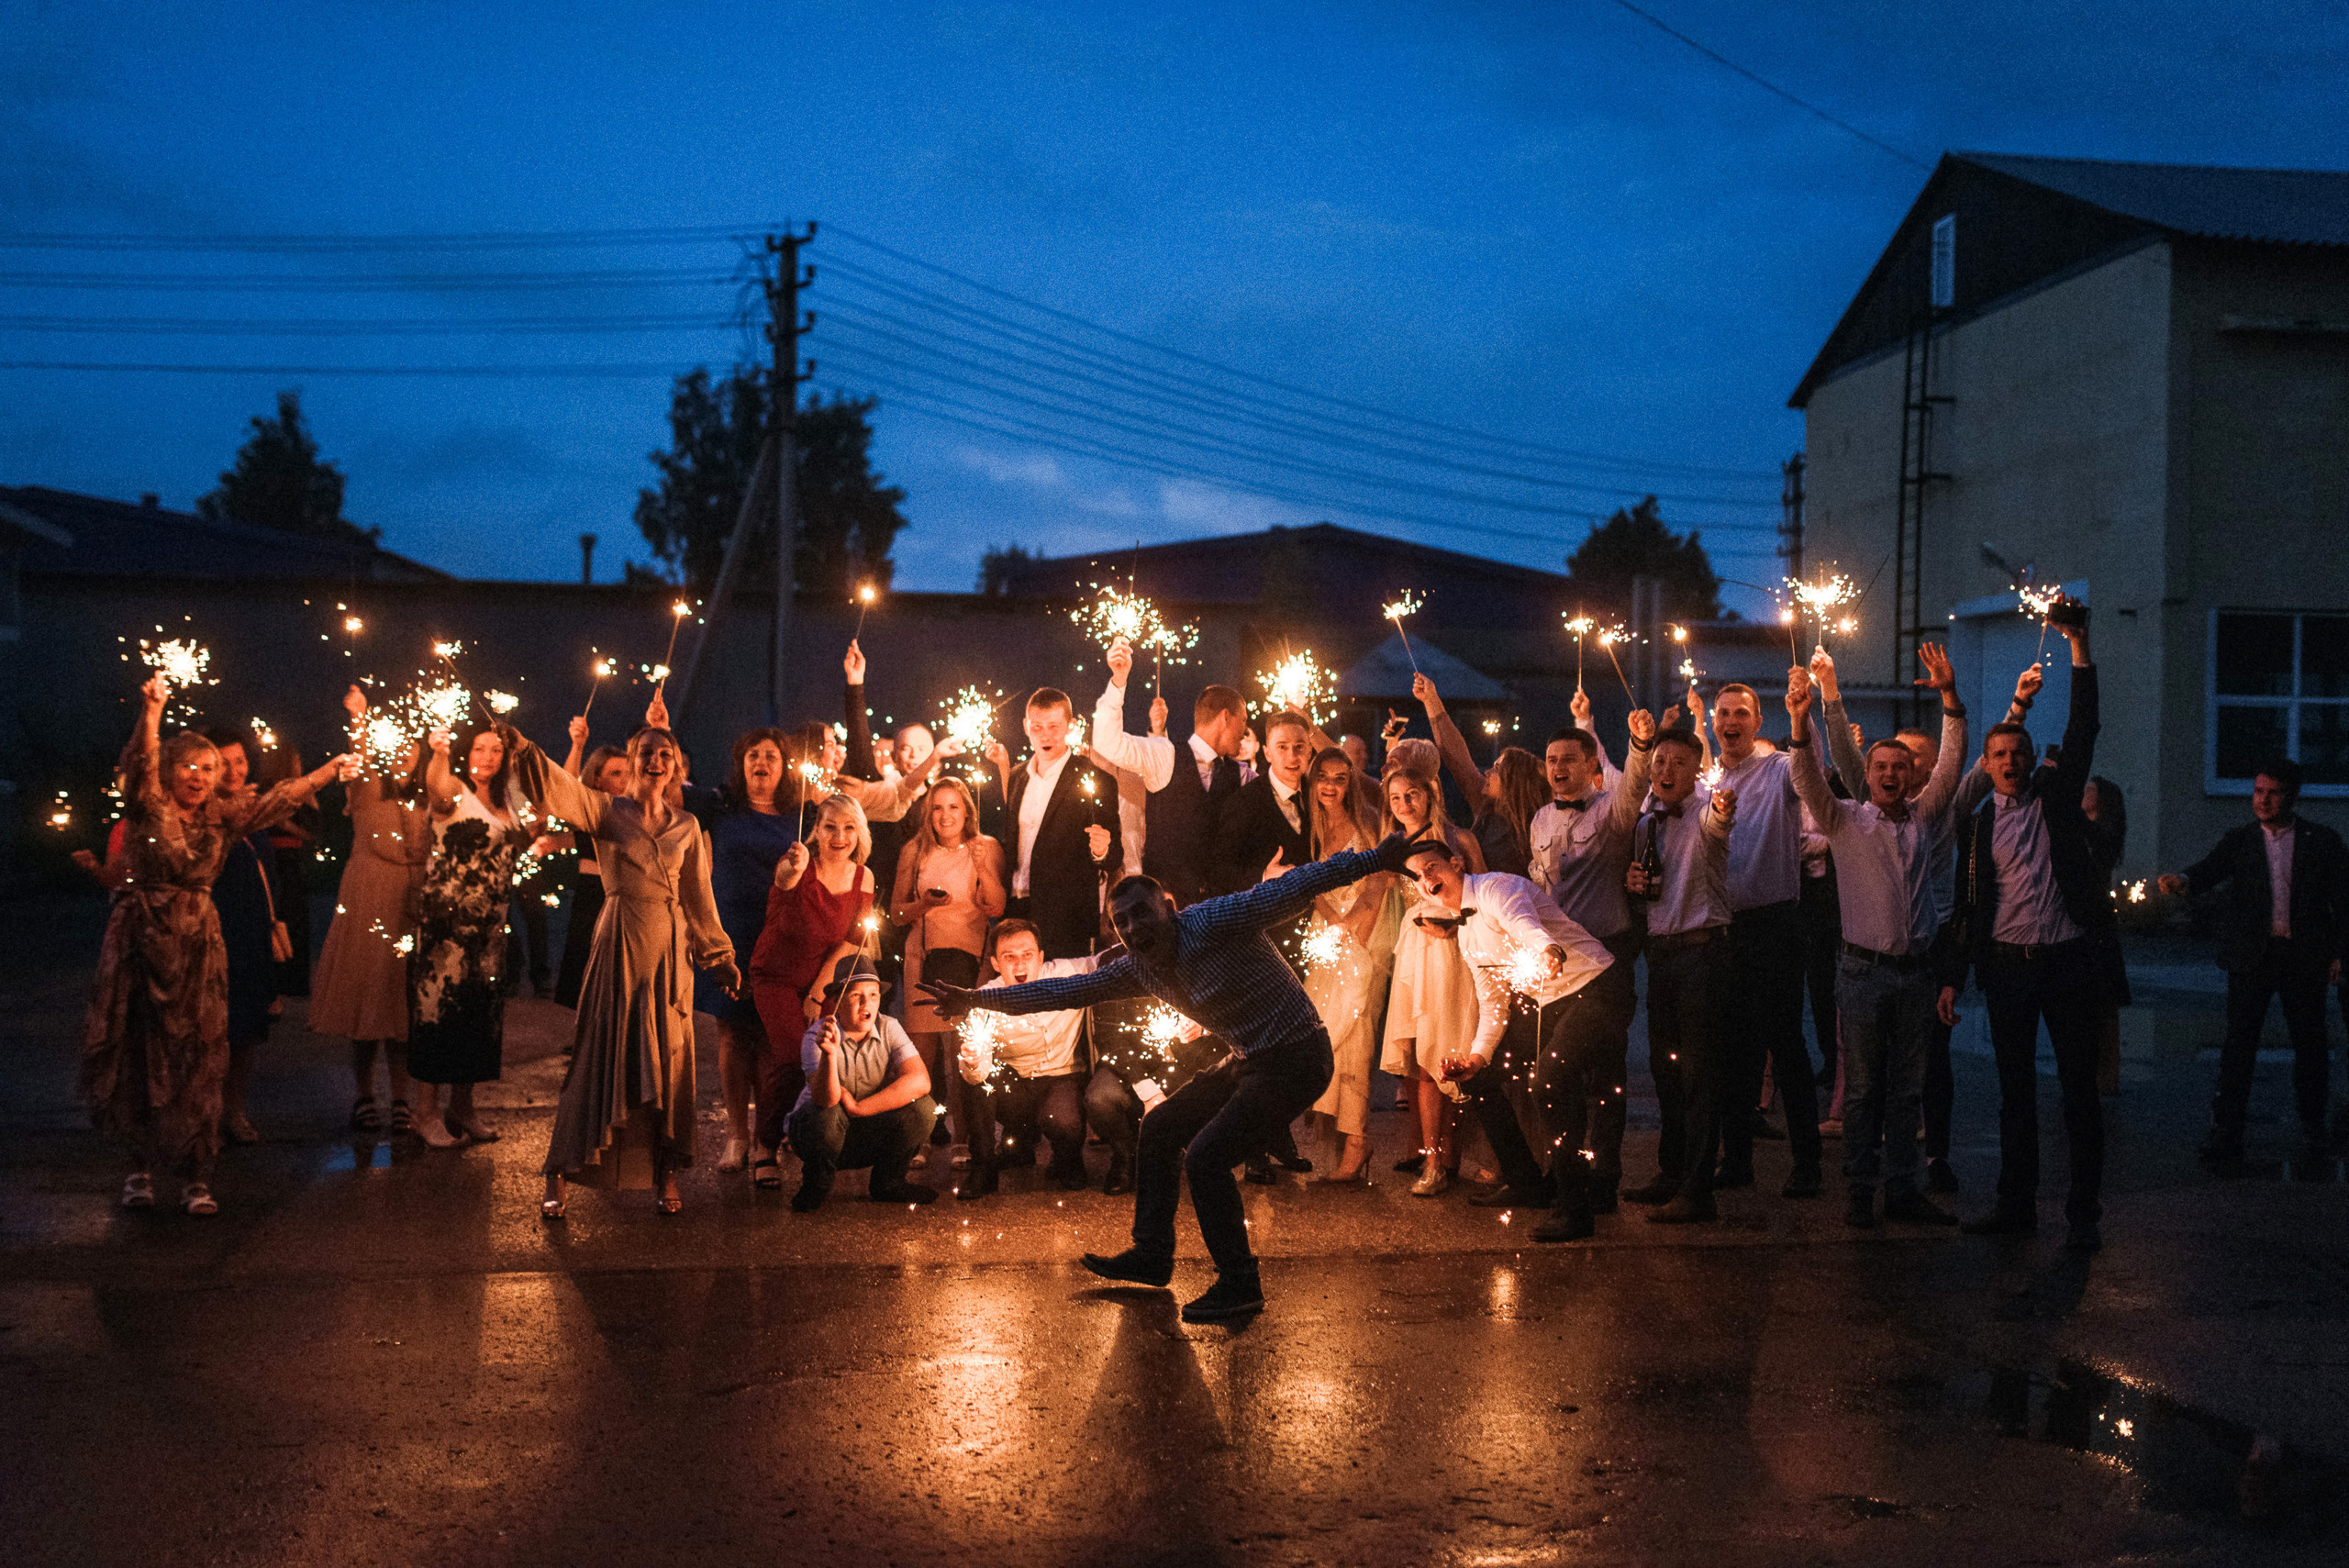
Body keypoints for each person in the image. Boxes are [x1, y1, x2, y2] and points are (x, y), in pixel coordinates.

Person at [922, 831, 1419, 1324]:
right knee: (1159, 1129)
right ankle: (1153, 1254)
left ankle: (1240, 1282)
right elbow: (1067, 991)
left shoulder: (1216, 921)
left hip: (1297, 1055)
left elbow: (1292, 887)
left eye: (1142, 913)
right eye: (1121, 923)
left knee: (1206, 1159)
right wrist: (976, 999)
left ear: (1168, 905)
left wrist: (1376, 859)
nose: (1134, 928)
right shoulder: (1140, 968)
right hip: (1249, 1058)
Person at [81, 674, 347, 1215]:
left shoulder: (225, 819)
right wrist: (153, 711)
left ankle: (197, 1175)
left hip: (198, 943)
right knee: (141, 1051)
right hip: (141, 939)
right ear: (169, 770)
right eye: (189, 767)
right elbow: (138, 768)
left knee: (201, 1053)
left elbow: (277, 802)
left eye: (209, 768)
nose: (200, 777)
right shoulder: (147, 807)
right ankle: (139, 1170)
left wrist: (329, 770)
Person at [1939, 597, 2116, 1252]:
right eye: (1998, 754)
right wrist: (1955, 977)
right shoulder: (1980, 824)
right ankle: (2016, 1206)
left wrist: (2078, 644)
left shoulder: (2058, 801)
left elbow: (2086, 724)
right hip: (2009, 967)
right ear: (1986, 764)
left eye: (2017, 751)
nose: (2010, 761)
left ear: (2028, 756)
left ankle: (2083, 1211)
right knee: (2015, 1094)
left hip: (2067, 961)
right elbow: (1967, 902)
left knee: (2078, 1094)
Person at [506, 720, 738, 1215]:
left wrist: (719, 957)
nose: (655, 761)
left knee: (670, 1061)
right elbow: (558, 789)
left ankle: (666, 1174)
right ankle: (560, 1172)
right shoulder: (606, 812)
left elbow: (700, 898)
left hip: (670, 955)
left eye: (665, 755)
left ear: (676, 767)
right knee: (600, 1053)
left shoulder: (687, 827)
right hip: (621, 941)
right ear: (632, 762)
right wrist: (526, 749)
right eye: (646, 753)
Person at [1787, 647, 1967, 1229]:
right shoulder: (1845, 819)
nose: (1892, 774)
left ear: (1911, 776)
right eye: (1881, 767)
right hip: (1862, 974)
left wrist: (1949, 699)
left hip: (1916, 972)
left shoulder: (1924, 815)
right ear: (1867, 776)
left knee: (1907, 1091)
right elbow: (1809, 775)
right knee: (1863, 1091)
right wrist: (1801, 719)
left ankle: (1903, 1188)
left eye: (1900, 768)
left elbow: (1953, 762)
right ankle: (1862, 1190)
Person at [1400, 835, 1616, 1240]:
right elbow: (1494, 1005)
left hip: (1596, 986)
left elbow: (1524, 923)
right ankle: (1526, 1183)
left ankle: (1576, 1210)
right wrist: (1475, 1059)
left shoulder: (1498, 888)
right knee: (1478, 1081)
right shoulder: (1465, 934)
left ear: (1457, 863)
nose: (1426, 878)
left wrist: (1548, 949)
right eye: (1417, 876)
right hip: (1547, 1006)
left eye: (1432, 867)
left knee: (1551, 1078)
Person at [2157, 757, 2349, 1173]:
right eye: (2258, 791)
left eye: (2272, 792)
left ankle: (2314, 1129)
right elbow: (2209, 870)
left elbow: (2342, 901)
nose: (2262, 800)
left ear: (2291, 796)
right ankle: (2228, 1132)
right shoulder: (2242, 840)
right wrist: (2184, 881)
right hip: (2254, 956)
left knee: (2311, 1044)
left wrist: (2339, 952)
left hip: (2302, 956)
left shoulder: (2321, 841)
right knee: (2239, 1045)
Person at [1524, 691, 1651, 1210]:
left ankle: (1600, 1181)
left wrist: (1639, 745)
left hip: (1607, 963)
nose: (1558, 768)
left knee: (1604, 1076)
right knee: (1567, 1076)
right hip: (1558, 967)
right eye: (1552, 760)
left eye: (1569, 760)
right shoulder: (1539, 821)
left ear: (1591, 767)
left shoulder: (1612, 815)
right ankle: (1568, 1174)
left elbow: (1636, 787)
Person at [1708, 681, 1827, 1198]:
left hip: (1775, 925)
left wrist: (1802, 720)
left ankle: (1808, 1163)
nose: (1731, 722)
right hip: (1722, 929)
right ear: (1713, 723)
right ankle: (1736, 1160)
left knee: (1787, 1045)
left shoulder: (1779, 770)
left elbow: (1812, 774)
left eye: (1741, 713)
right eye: (1723, 714)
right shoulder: (1707, 778)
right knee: (1733, 1052)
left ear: (1757, 723)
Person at [672, 719, 802, 1172]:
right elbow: (670, 791)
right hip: (728, 933)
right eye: (753, 756)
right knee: (731, 1034)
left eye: (771, 756)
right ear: (741, 766)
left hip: (777, 935)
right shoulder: (720, 807)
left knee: (769, 1036)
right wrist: (665, 730)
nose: (762, 762)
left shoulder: (799, 815)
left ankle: (767, 1133)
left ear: (785, 766)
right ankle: (736, 1135)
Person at [1620, 728, 1738, 1223]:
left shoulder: (1707, 810)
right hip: (1662, 956)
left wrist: (1724, 807)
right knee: (1666, 1069)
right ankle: (1671, 1173)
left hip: (1702, 954)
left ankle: (1698, 1190)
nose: (1666, 770)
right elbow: (1646, 893)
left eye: (1678, 763)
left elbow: (1719, 823)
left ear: (1696, 770)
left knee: (1697, 1073)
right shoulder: (1647, 822)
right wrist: (1633, 883)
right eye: (1661, 761)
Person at [311, 685, 432, 1137]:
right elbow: (358, 750)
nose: (404, 753)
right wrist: (359, 716)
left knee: (401, 1002)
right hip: (368, 894)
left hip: (412, 896)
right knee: (367, 995)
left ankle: (400, 1098)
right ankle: (363, 1096)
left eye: (411, 747)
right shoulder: (365, 785)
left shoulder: (427, 796)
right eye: (397, 745)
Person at [407, 720, 530, 1149]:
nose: (488, 757)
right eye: (480, 748)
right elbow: (436, 791)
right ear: (466, 752)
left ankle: (463, 1106)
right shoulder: (454, 788)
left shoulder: (507, 800)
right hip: (447, 926)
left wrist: (576, 746)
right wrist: (437, 751)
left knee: (478, 1015)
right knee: (437, 1013)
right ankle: (424, 1112)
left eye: (496, 750)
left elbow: (541, 818)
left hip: (489, 929)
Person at [746, 795, 878, 1190]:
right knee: (789, 1058)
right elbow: (783, 879)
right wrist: (793, 866)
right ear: (816, 830)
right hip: (777, 974)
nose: (840, 836)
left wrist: (819, 993)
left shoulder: (863, 877)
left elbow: (855, 939)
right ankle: (764, 1147)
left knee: (827, 1060)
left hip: (825, 977)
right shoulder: (797, 865)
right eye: (830, 827)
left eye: (849, 827)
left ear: (860, 832)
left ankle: (813, 1141)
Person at [1379, 765, 1486, 1193]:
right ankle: (1432, 1161)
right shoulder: (1390, 847)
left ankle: (1456, 1154)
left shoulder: (1460, 839)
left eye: (1412, 795)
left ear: (1431, 794)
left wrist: (1457, 926)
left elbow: (1483, 892)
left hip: (1459, 955)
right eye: (1396, 798)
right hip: (1419, 957)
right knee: (1425, 1060)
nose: (1405, 804)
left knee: (1458, 1055)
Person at [891, 775, 1007, 1158]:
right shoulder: (914, 851)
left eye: (953, 806)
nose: (945, 815)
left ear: (967, 811)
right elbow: (896, 914)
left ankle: (964, 1138)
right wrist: (924, 903)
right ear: (929, 813)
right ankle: (918, 1137)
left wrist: (983, 868)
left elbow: (997, 907)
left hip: (972, 960)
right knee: (921, 1056)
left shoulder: (985, 847)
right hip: (922, 959)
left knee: (962, 1057)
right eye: (938, 807)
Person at [1301, 748, 1403, 1182]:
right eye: (1323, 776)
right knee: (1327, 1037)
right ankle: (1345, 1138)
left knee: (1358, 1033)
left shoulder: (1368, 823)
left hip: (1367, 935)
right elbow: (1314, 887)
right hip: (1327, 937)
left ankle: (1358, 1142)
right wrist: (1331, 926)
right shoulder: (1314, 828)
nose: (1330, 785)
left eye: (1340, 778)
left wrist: (1353, 934)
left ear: (1351, 783)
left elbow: (1378, 883)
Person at [1086, 636, 1249, 906]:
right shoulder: (1165, 754)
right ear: (1225, 718)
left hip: (1222, 913)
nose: (1244, 732)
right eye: (1243, 721)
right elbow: (1107, 743)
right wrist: (1118, 681)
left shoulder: (1242, 775)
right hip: (1167, 913)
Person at [955, 919, 1096, 1196]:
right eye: (1009, 957)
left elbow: (1109, 960)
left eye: (1027, 955)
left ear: (1041, 958)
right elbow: (977, 1073)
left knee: (1064, 1121)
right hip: (1016, 1089)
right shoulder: (985, 1000)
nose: (1020, 966)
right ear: (995, 963)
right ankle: (984, 1167)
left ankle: (1068, 1159)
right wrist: (972, 1060)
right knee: (973, 1081)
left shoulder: (1068, 974)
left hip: (1061, 1079)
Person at [787, 958, 939, 1211]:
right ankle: (816, 1184)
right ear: (835, 1001)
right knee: (826, 1116)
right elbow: (826, 1100)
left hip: (864, 1128)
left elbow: (920, 1080)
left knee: (924, 1109)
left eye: (873, 995)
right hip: (818, 1135)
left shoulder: (889, 1027)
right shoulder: (817, 1034)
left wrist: (861, 1108)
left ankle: (888, 1183)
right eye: (856, 995)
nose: (866, 1004)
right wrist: (829, 1055)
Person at [985, 686, 1120, 959]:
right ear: (1025, 726)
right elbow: (1014, 843)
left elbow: (1114, 857)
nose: (1045, 735)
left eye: (1053, 726)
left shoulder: (1098, 781)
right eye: (1037, 727)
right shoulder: (1016, 777)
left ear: (1070, 726)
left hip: (1067, 920)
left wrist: (1101, 850)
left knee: (1064, 998)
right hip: (1017, 913)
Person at [202, 724, 285, 1145]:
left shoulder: (253, 814)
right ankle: (207, 1116)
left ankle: (234, 1110)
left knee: (247, 1029)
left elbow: (266, 874)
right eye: (223, 763)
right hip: (215, 930)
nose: (234, 771)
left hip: (252, 931)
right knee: (211, 1029)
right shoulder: (205, 814)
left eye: (240, 761)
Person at [1412, 672, 1544, 877]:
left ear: (1514, 781)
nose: (1487, 772)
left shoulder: (1538, 827)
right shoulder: (1487, 809)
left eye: (1497, 769)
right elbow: (1458, 760)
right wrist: (1431, 700)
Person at [551, 742, 629, 1008]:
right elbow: (565, 786)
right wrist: (577, 744)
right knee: (587, 965)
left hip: (624, 895)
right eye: (616, 773)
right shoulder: (589, 808)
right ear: (597, 778)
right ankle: (587, 1039)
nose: (625, 780)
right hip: (593, 892)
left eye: (628, 773)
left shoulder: (636, 811)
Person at [1219, 709, 1316, 895]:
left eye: (1299, 747)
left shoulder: (1318, 794)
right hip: (1265, 919)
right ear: (1267, 753)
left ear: (1310, 751)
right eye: (1282, 747)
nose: (1292, 756)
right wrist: (1262, 876)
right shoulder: (1243, 802)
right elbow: (1221, 870)